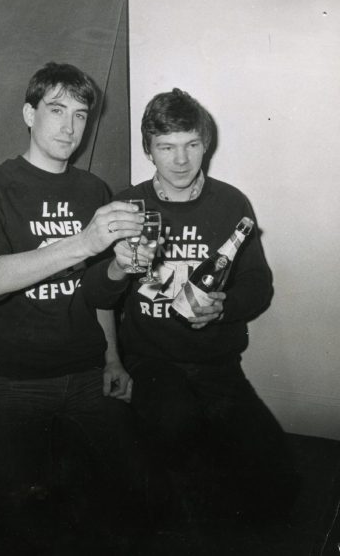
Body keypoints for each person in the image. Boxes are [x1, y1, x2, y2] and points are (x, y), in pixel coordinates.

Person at [82, 88, 299, 528]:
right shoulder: (127, 205)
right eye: (166, 147)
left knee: (281, 481)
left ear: (205, 144)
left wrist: (224, 307)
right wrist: (119, 274)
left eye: (191, 145)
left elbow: (259, 286)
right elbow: (95, 294)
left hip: (218, 363)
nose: (180, 160)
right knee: (178, 445)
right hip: (152, 361)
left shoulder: (231, 203)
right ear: (149, 150)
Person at [0, 62, 147, 552]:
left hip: (89, 371)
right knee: (26, 518)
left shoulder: (93, 191)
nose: (69, 127)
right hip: (21, 380)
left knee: (117, 502)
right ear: (29, 113)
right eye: (56, 110)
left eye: (81, 115)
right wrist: (84, 242)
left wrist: (120, 272)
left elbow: (97, 294)